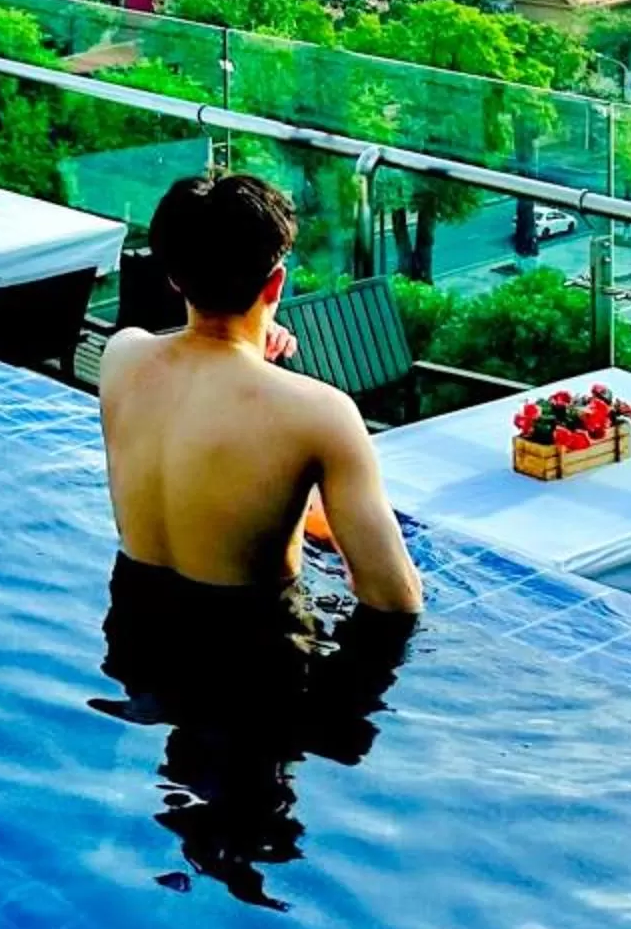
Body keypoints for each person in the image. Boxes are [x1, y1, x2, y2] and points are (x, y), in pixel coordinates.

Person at [98, 172, 422, 627]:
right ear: (276, 284)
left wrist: (246, 338)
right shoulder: (320, 413)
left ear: (174, 278)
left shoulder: (121, 358)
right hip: (256, 662)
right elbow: (395, 597)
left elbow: (194, 356)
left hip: (134, 631)